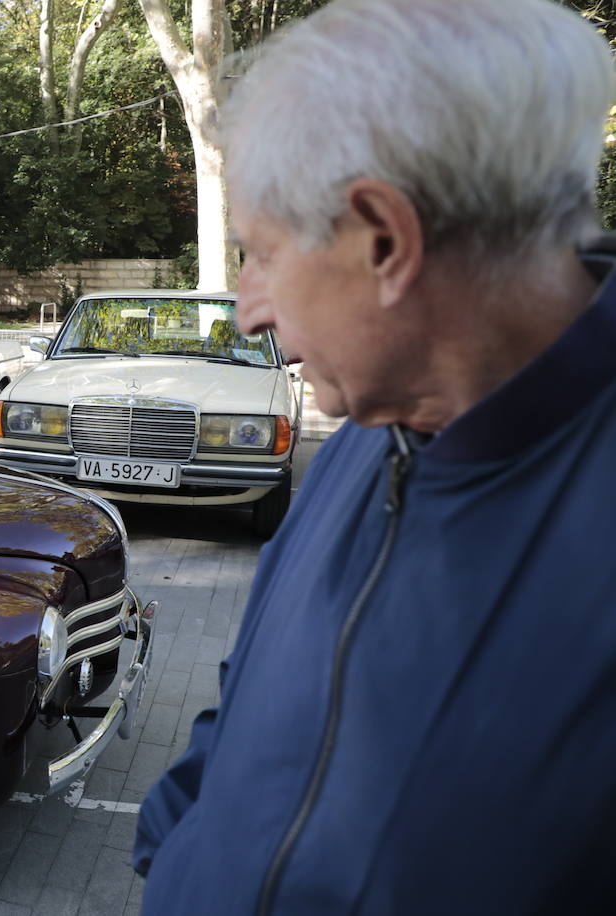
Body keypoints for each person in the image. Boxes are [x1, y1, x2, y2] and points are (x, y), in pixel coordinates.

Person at [132, 1, 616, 913]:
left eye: (260, 254)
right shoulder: (371, 422)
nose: (248, 312)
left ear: (384, 240)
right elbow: (248, 702)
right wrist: (173, 851)